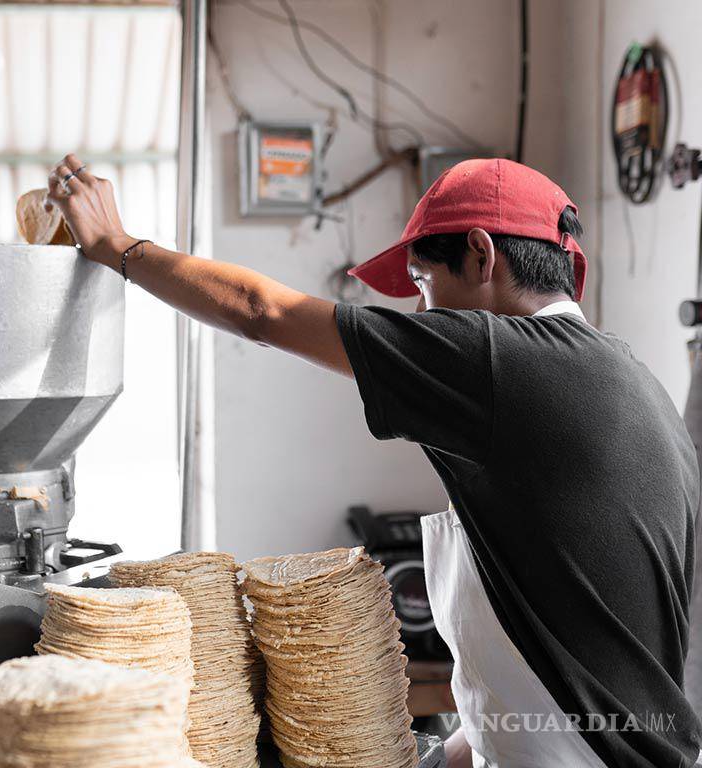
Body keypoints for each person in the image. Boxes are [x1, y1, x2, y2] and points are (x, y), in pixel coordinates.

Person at [45, 154, 702, 768]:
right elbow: (567, 651)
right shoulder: (630, 383)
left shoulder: (502, 361)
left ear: (481, 255)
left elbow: (262, 312)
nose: (419, 312)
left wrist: (118, 247)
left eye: (422, 283)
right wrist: (443, 756)